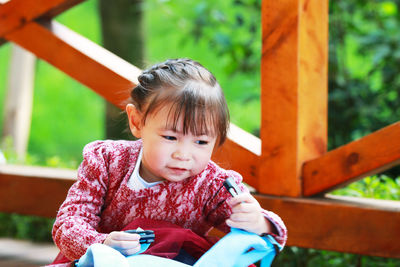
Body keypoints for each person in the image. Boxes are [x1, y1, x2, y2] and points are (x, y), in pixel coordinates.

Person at [52, 58, 287, 262]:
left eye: (201, 142)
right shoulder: (107, 162)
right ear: (137, 122)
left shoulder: (213, 185)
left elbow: (274, 233)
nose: (183, 154)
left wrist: (259, 223)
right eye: (170, 137)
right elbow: (68, 222)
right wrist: (101, 243)